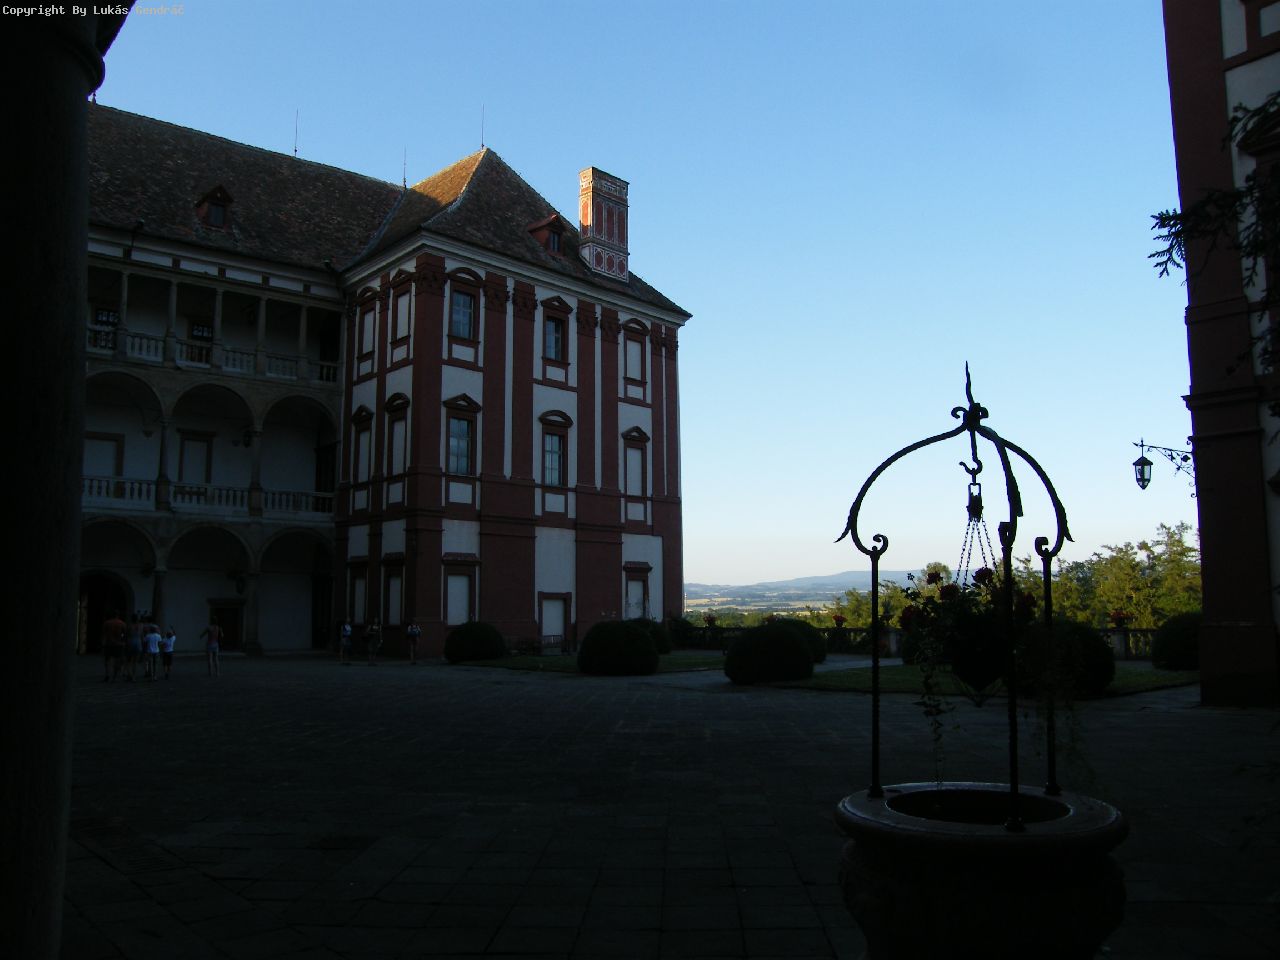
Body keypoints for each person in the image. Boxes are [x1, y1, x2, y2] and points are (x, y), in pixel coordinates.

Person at [101, 609, 126, 682]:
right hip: (119, 644)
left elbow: (104, 634)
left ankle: (107, 674)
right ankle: (114, 677)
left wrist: (102, 643)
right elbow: (125, 635)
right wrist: (123, 642)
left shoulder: (107, 623)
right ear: (118, 615)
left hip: (109, 643)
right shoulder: (122, 623)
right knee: (117, 660)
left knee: (107, 660)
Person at [124, 612, 143, 682]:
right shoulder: (141, 626)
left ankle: (129, 674)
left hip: (130, 643)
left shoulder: (129, 626)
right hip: (138, 643)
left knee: (128, 661)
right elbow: (142, 636)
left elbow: (126, 635)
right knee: (135, 662)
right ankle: (134, 676)